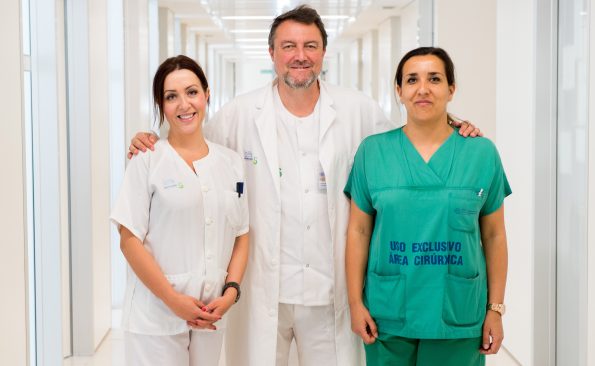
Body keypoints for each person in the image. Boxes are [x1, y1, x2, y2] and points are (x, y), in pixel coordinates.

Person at [128, 6, 481, 366]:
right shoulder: (241, 113)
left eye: (310, 45)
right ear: (272, 53)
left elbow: (405, 138)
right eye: (289, 46)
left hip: (330, 289)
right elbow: (193, 142)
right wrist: (151, 139)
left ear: (323, 53)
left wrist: (452, 124)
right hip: (264, 290)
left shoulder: (355, 109)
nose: (300, 56)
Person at [344, 46, 510, 366]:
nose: (423, 89)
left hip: (458, 314)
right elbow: (359, 230)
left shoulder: (481, 153)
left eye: (434, 79)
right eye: (411, 80)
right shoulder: (373, 152)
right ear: (399, 91)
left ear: (451, 90)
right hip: (387, 314)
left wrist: (496, 309)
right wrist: (355, 302)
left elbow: (494, 236)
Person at [111, 55, 249, 366]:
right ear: (160, 105)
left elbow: (242, 234)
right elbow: (128, 239)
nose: (184, 104)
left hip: (210, 312)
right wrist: (173, 301)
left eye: (191, 92)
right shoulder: (146, 158)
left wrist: (231, 292)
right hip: (155, 317)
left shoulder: (230, 162)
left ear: (206, 94)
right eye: (171, 97)